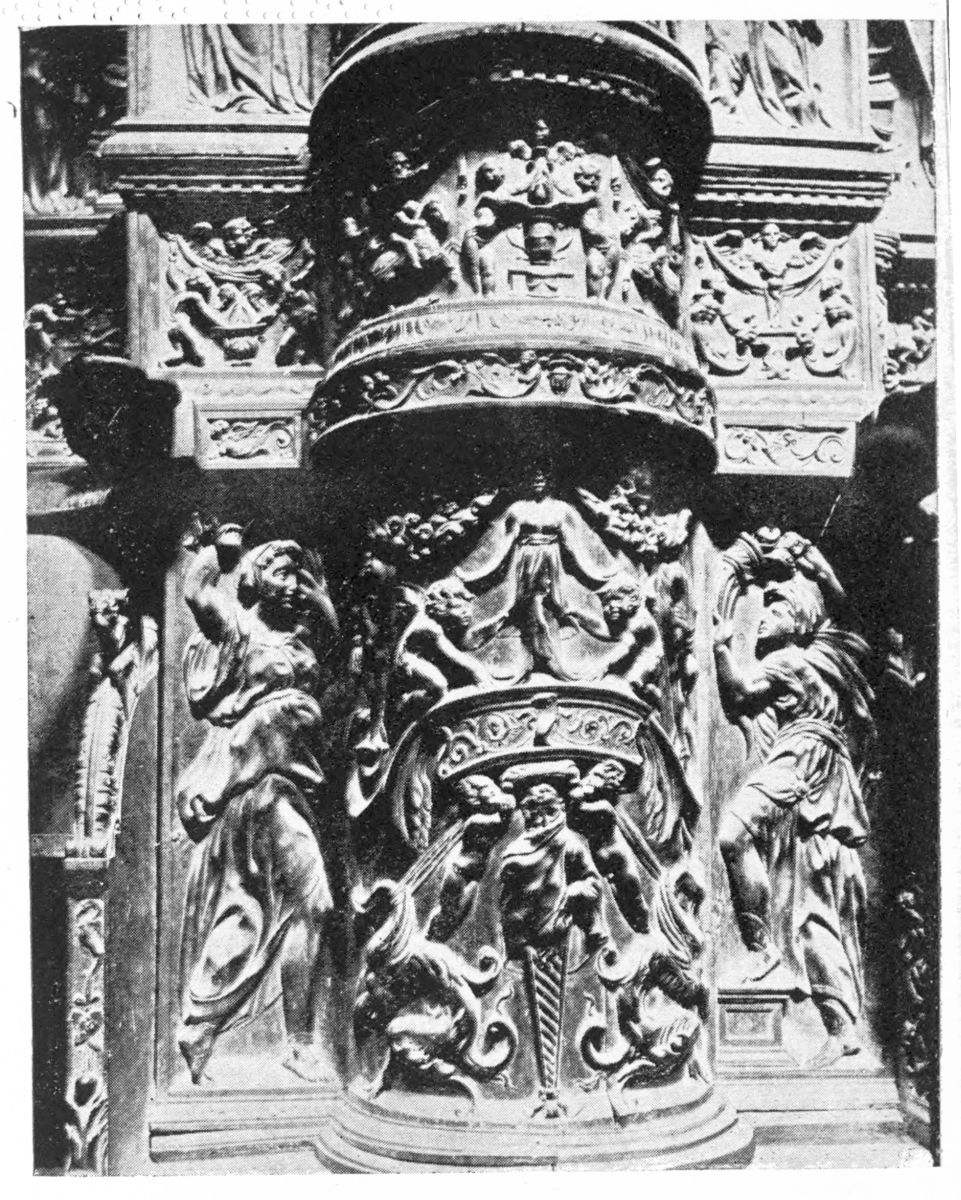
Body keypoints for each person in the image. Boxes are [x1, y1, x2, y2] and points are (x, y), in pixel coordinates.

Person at [175, 521, 339, 1084]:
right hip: (256, 785)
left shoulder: (300, 641)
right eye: (282, 575)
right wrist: (217, 554)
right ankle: (295, 1043)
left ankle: (203, 1026)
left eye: (298, 578)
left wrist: (316, 590)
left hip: (291, 781)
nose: (292, 587)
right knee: (306, 904)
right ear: (258, 580)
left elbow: (331, 638)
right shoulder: (239, 631)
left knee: (254, 911)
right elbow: (197, 595)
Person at [713, 549, 874, 1066]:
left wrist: (720, 646)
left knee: (732, 833)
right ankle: (841, 1025)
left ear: (801, 616)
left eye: (777, 607)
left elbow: (739, 695)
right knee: (810, 902)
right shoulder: (832, 656)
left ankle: (761, 952)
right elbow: (849, 615)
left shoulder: (787, 660)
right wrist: (817, 563)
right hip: (823, 769)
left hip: (799, 757)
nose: (764, 616)